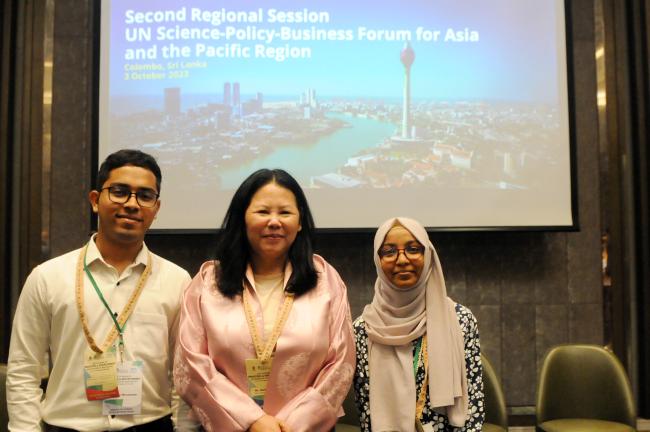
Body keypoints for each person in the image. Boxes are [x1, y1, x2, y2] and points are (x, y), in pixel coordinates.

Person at [7, 149, 196, 431]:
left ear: (155, 209)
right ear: (95, 201)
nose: (132, 204)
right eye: (120, 192)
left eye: (145, 196)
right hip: (67, 426)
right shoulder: (47, 277)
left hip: (150, 425)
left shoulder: (177, 281)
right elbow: (23, 371)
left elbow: (185, 374)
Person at [174, 168, 355, 432]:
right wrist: (252, 421)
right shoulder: (208, 281)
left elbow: (340, 364)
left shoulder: (325, 280)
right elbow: (190, 364)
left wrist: (289, 426)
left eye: (285, 212)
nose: (274, 221)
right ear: (242, 218)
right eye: (262, 212)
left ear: (300, 221)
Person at [353, 217, 484, 431]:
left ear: (428, 255)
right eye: (389, 252)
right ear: (378, 260)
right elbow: (365, 409)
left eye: (413, 249)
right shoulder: (363, 329)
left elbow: (473, 402)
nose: (402, 260)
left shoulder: (460, 320)